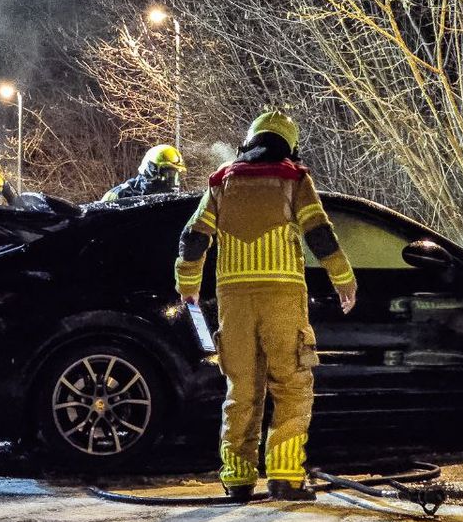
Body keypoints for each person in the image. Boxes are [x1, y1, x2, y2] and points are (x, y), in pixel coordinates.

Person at [174, 110, 357, 501]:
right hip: (282, 300)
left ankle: (238, 478)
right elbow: (319, 233)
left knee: (242, 390)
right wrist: (343, 279)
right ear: (288, 143)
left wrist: (188, 284)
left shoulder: (222, 181)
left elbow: (193, 237)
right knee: (292, 386)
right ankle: (286, 475)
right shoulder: (294, 179)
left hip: (234, 304)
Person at [101, 144, 186, 202]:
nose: (172, 181)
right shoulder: (117, 196)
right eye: (168, 173)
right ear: (151, 171)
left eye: (175, 174)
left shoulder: (176, 203)